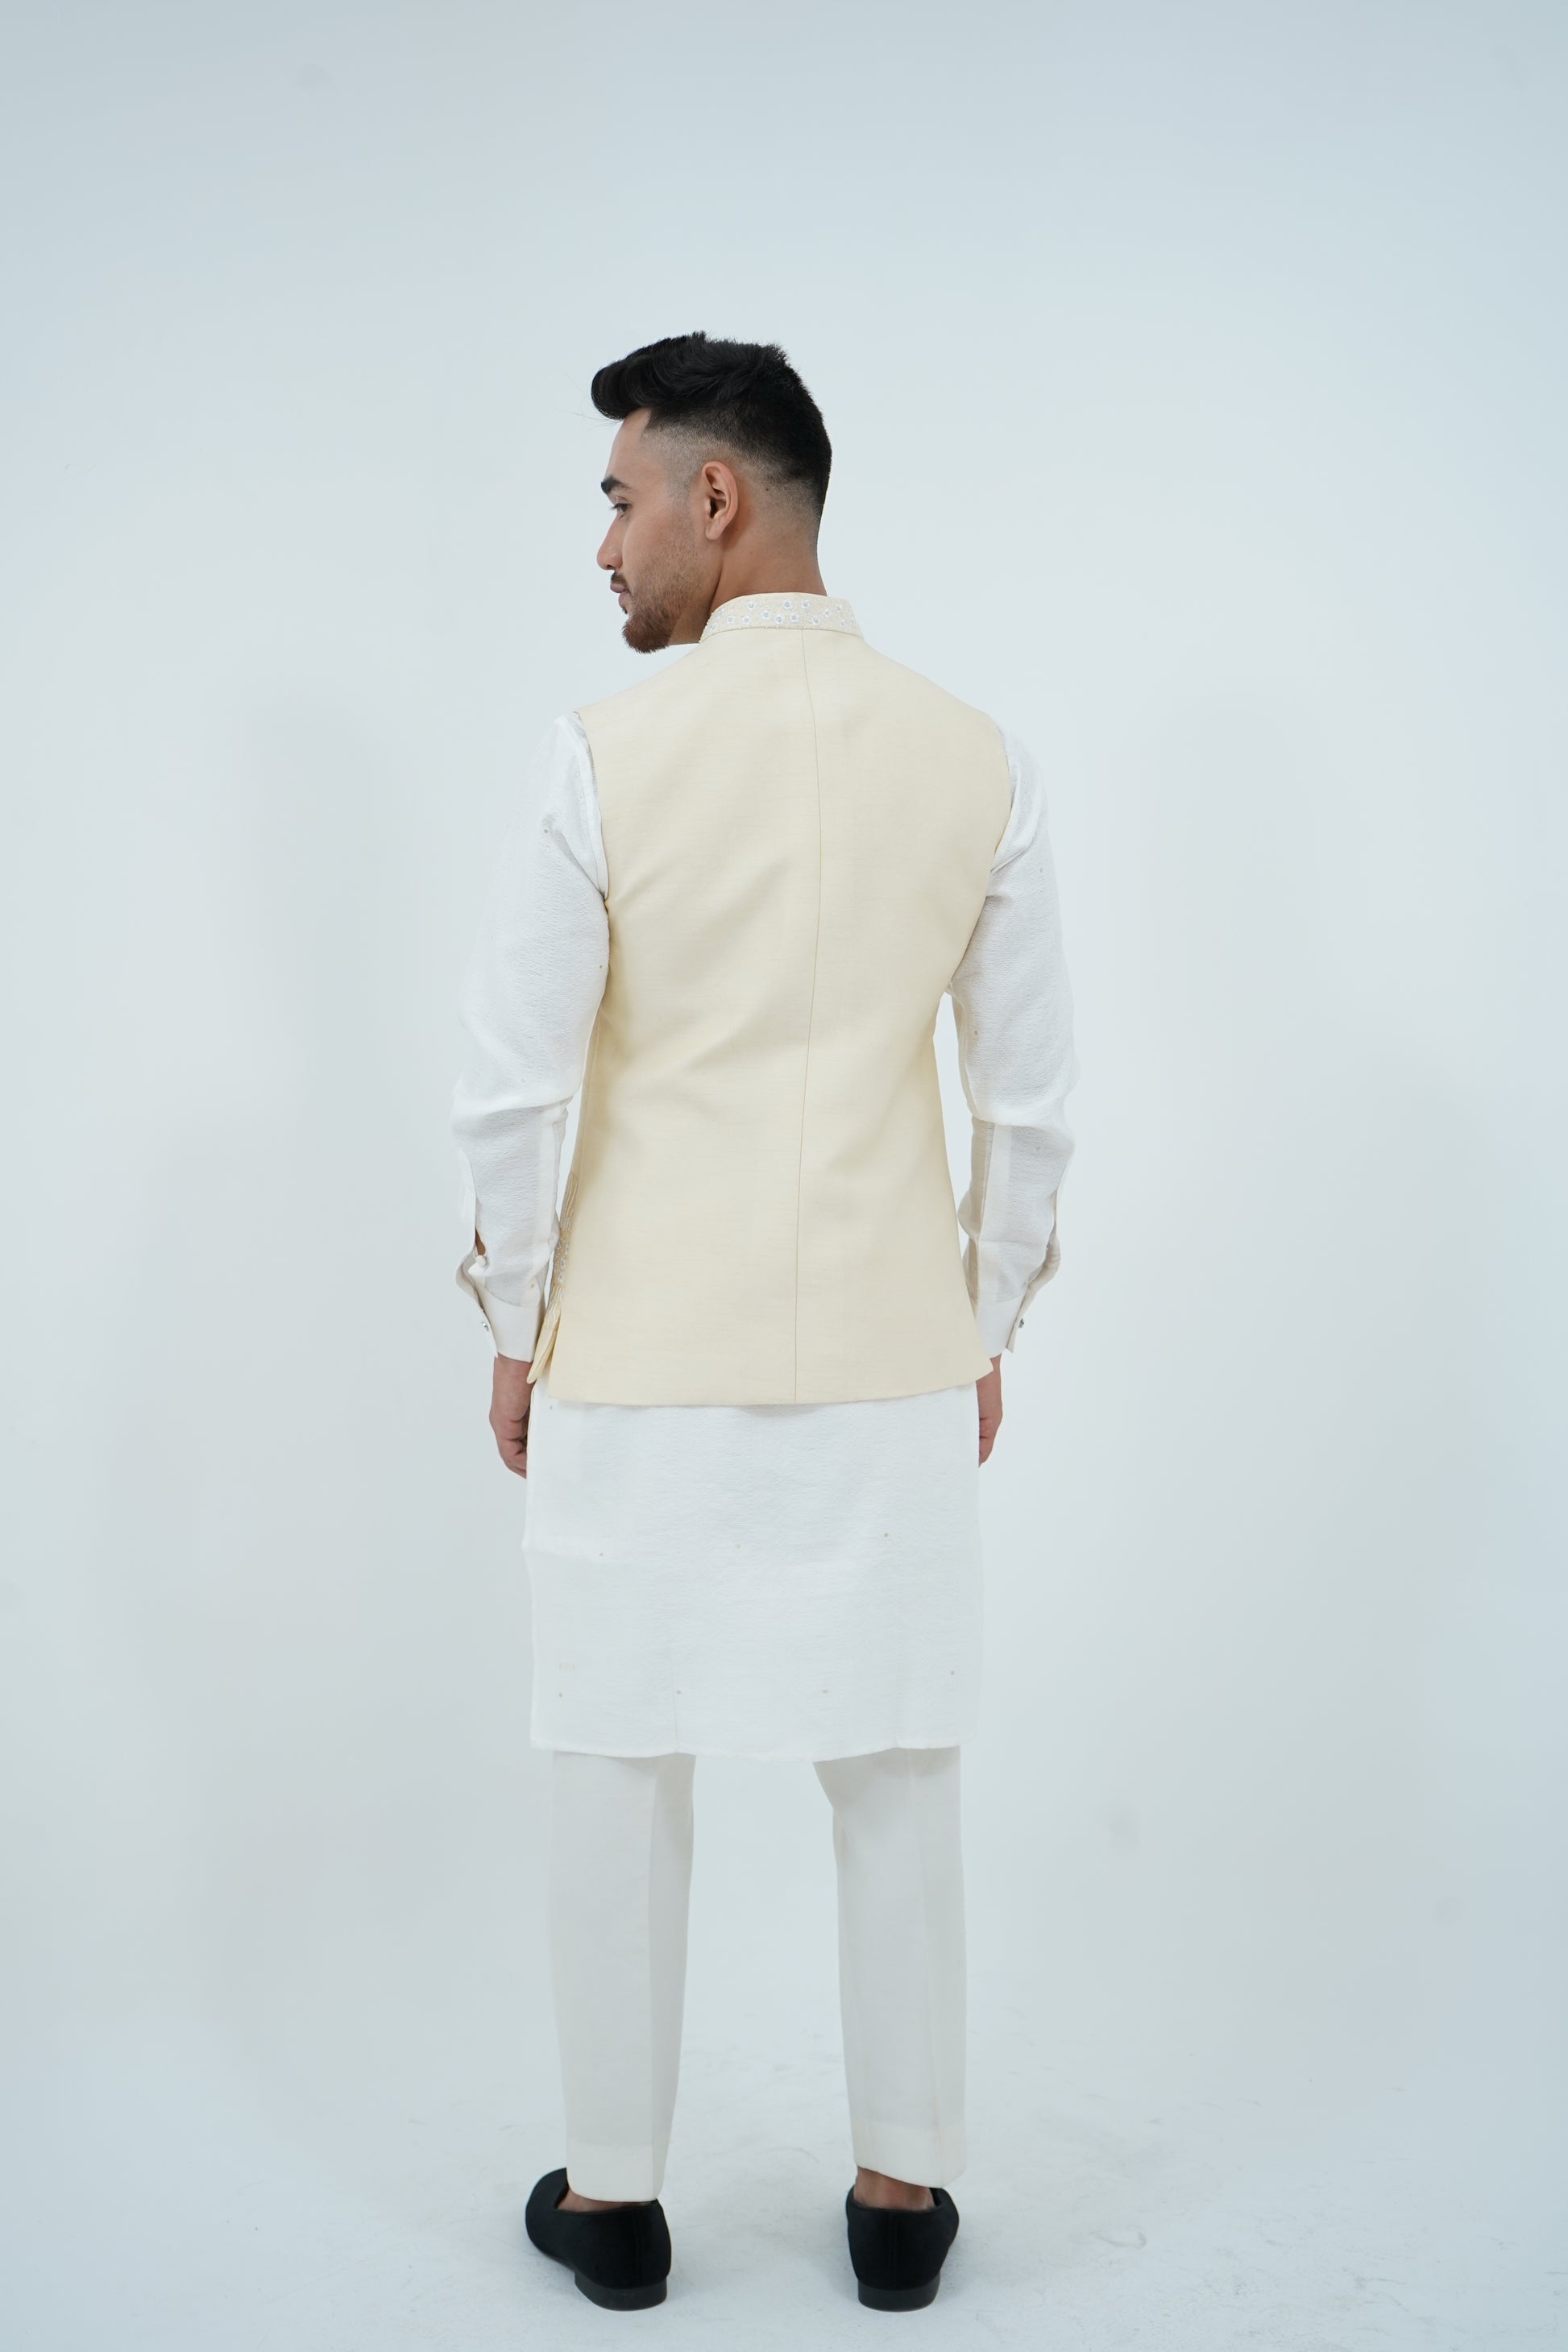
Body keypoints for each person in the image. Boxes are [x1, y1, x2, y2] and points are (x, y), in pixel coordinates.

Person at [450, 332, 1076, 2312]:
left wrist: (515, 1313)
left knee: (613, 1762)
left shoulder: (603, 751)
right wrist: (982, 1317)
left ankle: (616, 2201)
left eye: (620, 498)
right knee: (896, 1765)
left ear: (714, 498)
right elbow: (1030, 1101)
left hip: (638, 1354)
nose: (606, 545)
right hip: (889, 1353)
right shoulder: (975, 753)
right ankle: (899, 2200)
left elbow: (510, 1089)